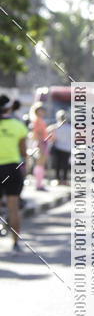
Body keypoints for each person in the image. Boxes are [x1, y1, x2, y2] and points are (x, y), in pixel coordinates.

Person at [0, 95, 28, 253]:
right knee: (13, 208)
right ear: (9, 108)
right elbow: (24, 152)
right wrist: (26, 170)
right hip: (12, 169)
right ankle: (15, 244)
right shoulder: (18, 125)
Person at [28, 102, 49, 191]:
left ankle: (39, 184)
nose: (43, 112)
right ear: (37, 111)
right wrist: (41, 147)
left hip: (41, 143)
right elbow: (39, 134)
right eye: (41, 110)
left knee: (40, 164)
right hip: (41, 143)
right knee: (40, 164)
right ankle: (38, 184)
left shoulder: (38, 120)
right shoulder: (38, 120)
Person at [47, 110, 71, 184]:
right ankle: (64, 179)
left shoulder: (54, 127)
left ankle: (58, 179)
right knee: (65, 164)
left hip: (58, 147)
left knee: (57, 164)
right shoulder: (70, 128)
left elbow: (49, 135)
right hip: (67, 148)